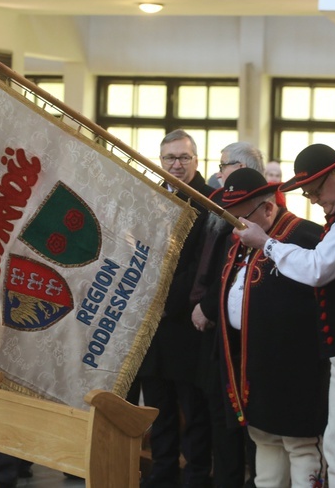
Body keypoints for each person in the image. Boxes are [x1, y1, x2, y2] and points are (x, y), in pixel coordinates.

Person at [233, 142, 335, 488]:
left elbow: (319, 268)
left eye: (316, 191)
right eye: (308, 195)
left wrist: (266, 243)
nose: (314, 200)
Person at [213, 168, 329, 487]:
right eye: (231, 218)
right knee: (264, 442)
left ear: (267, 208)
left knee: (300, 445)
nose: (236, 227)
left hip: (296, 370)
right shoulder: (242, 240)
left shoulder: (306, 235)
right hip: (254, 366)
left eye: (240, 218)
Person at [137, 129, 213, 488]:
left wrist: (164, 304)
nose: (177, 165)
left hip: (187, 322)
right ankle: (163, 474)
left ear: (197, 161)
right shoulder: (150, 196)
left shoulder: (210, 202)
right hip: (151, 326)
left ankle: (196, 476)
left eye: (184, 158)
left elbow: (203, 265)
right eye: (170, 158)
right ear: (160, 161)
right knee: (158, 407)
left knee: (193, 409)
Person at [191, 142, 264, 488]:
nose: (218, 173)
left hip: (247, 340)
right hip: (217, 336)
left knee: (252, 431)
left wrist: (206, 306)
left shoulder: (256, 213)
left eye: (224, 166)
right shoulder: (222, 205)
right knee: (221, 421)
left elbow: (232, 266)